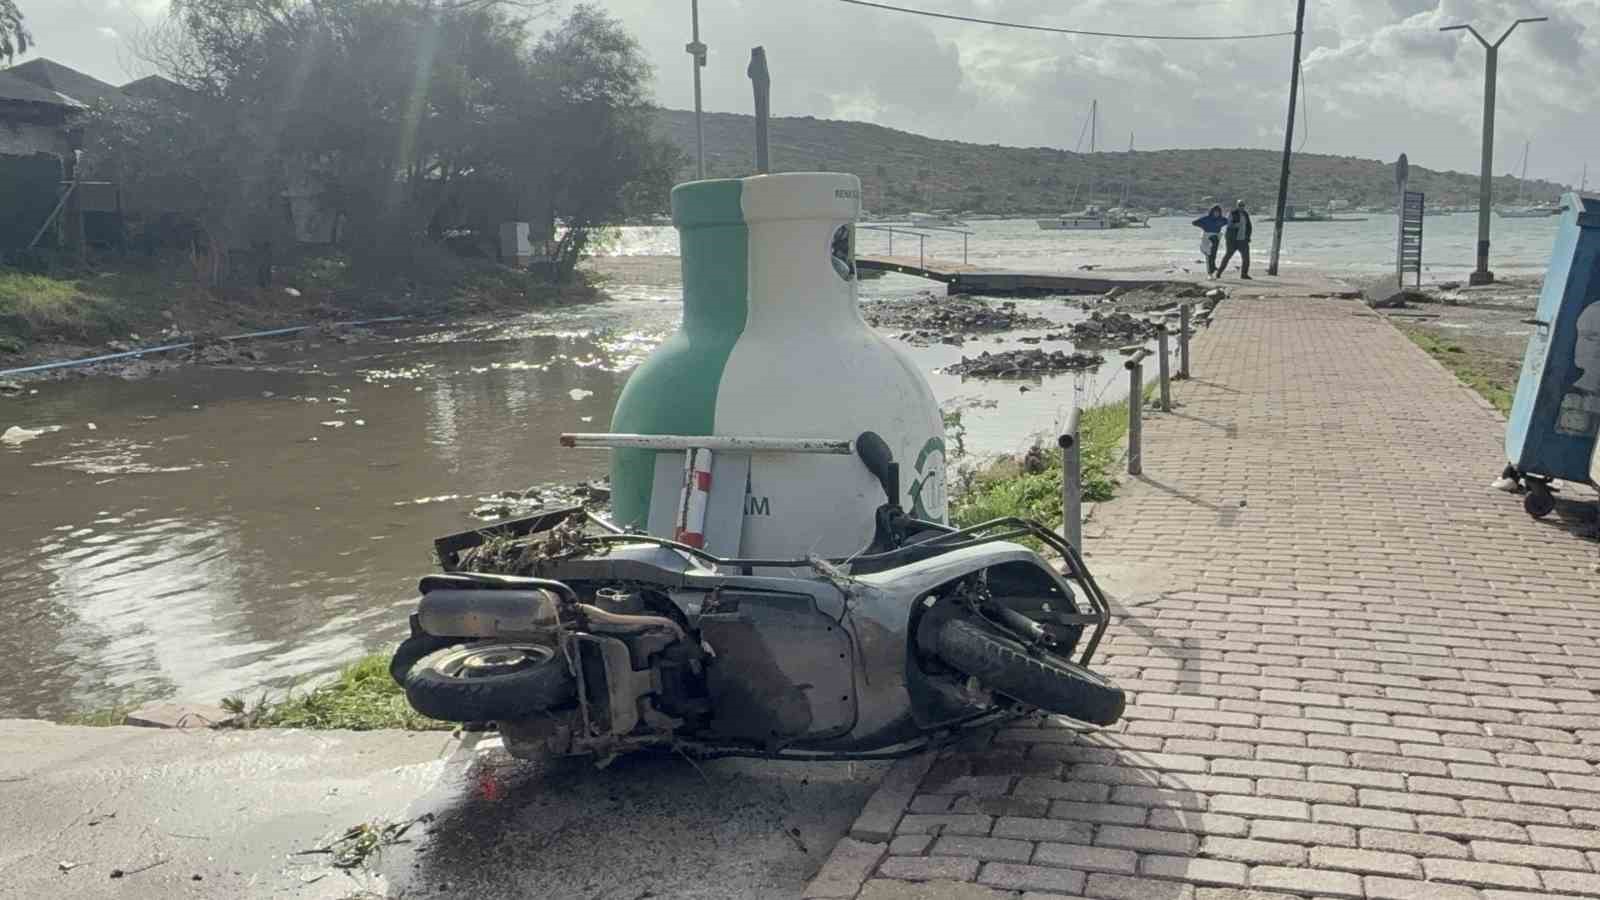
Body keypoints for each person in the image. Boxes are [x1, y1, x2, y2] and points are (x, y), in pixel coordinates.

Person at [1216, 200, 1253, 279]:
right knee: (1228, 256)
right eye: (1240, 205)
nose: (1241, 207)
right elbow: (1229, 225)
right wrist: (1237, 225)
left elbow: (1249, 226)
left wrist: (1248, 237)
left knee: (1246, 258)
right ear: (1237, 205)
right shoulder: (1232, 213)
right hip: (1232, 240)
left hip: (1243, 240)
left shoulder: (1245, 214)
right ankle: (1219, 273)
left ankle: (1244, 274)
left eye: (1243, 205)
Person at [1191, 205, 1227, 276]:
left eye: (1218, 212)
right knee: (1208, 254)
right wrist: (1203, 226)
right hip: (1207, 236)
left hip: (1216, 236)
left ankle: (1212, 267)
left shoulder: (1222, 219)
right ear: (1212, 212)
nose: (1217, 214)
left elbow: (1229, 222)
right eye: (1215, 212)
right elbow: (1194, 222)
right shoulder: (1206, 218)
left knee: (1213, 254)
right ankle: (1210, 272)